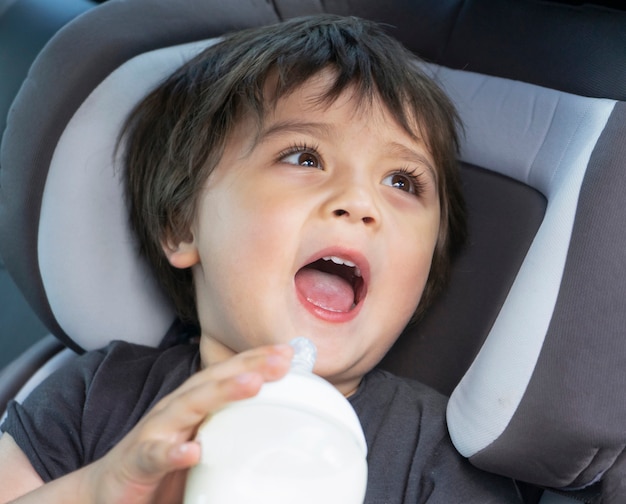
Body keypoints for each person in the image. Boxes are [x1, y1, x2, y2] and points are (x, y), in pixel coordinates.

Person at [0, 15, 522, 503]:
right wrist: (101, 488)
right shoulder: (98, 395)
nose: (362, 204)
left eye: (402, 182)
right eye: (305, 157)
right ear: (183, 225)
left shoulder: (432, 457)